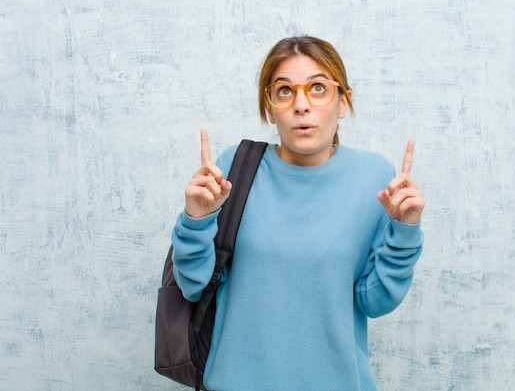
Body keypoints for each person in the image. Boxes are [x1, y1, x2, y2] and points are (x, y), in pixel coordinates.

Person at [172, 36, 425, 391]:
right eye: (285, 91)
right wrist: (195, 220)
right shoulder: (234, 168)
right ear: (269, 106)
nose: (301, 105)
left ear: (343, 101)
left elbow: (375, 301)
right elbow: (193, 285)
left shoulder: (376, 179)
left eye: (318, 88)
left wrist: (406, 231)